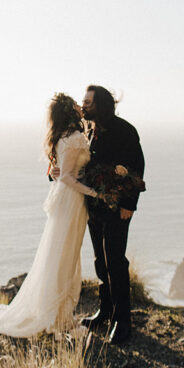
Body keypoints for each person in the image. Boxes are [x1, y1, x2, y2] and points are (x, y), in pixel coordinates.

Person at [0, 93, 99, 337]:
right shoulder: (75, 137)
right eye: (76, 104)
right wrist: (94, 193)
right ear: (70, 111)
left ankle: (55, 311)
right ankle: (58, 316)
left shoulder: (62, 137)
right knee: (65, 255)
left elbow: (61, 172)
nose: (80, 106)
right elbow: (66, 175)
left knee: (59, 254)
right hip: (73, 200)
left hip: (66, 199)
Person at [79, 85, 144, 344]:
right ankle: (105, 311)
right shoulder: (89, 131)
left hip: (118, 208)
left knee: (115, 261)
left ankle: (122, 321)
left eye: (88, 101)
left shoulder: (125, 131)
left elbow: (137, 168)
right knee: (99, 260)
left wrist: (130, 203)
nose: (83, 105)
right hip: (93, 207)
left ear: (101, 105)